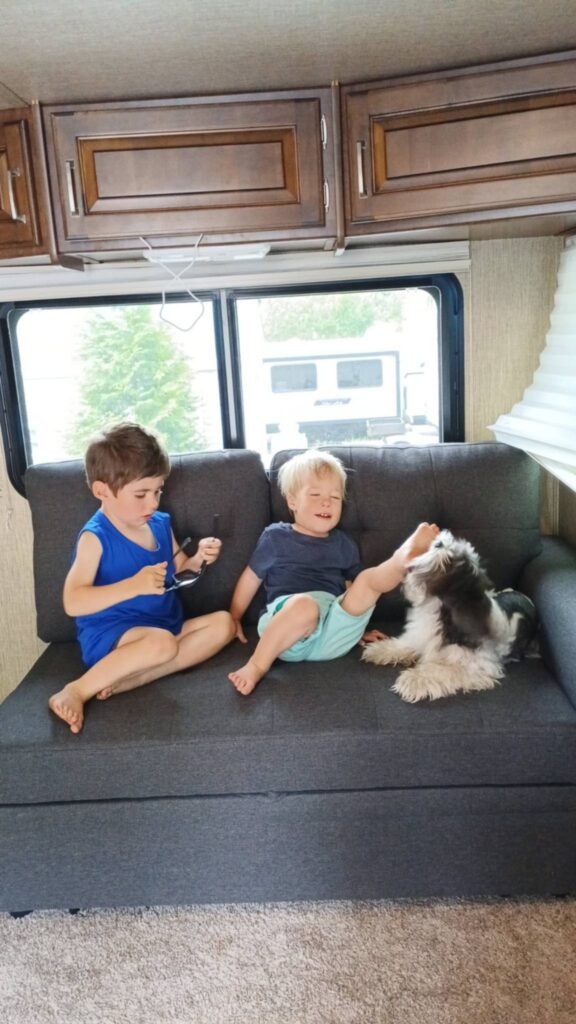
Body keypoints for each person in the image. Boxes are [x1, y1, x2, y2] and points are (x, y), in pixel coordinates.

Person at [49, 423, 235, 733]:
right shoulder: (95, 538)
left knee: (224, 624)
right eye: (141, 494)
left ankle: (136, 678)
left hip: (163, 628)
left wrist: (199, 557)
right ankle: (77, 689)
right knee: (161, 644)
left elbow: (179, 568)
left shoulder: (160, 523)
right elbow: (73, 601)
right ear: (102, 491)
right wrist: (133, 585)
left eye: (158, 490)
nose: (153, 502)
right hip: (114, 637)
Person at [228, 449, 439, 695]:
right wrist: (234, 617)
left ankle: (401, 561)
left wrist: (357, 626)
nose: (326, 502)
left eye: (335, 497)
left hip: (332, 634)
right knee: (305, 606)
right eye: (315, 494)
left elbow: (354, 593)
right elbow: (251, 577)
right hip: (286, 632)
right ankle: (256, 665)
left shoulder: (343, 544)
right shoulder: (276, 537)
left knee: (366, 580)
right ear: (292, 501)